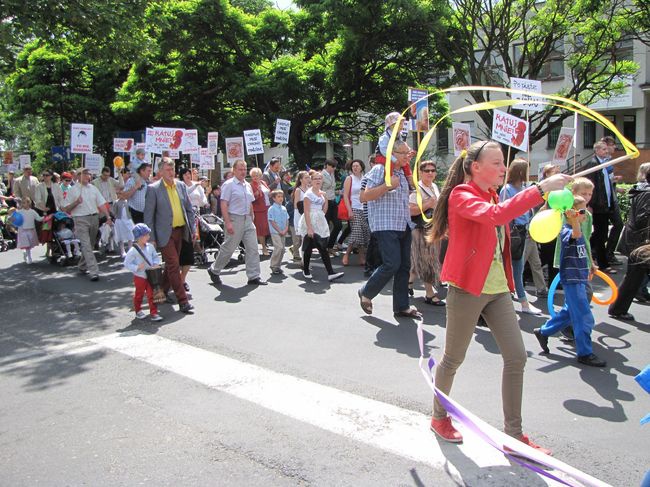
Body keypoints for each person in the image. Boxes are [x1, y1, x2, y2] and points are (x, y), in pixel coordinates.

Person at [427, 140, 571, 452]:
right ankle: (439, 417)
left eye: (503, 164)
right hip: (467, 288)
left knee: (517, 356)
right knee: (453, 358)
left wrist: (550, 196)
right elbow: (496, 216)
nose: (503, 169)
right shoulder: (461, 194)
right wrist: (541, 188)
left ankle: (513, 436)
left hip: (498, 290)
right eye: (496, 163)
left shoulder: (492, 193)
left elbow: (503, 216)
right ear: (475, 168)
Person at [534, 196, 606, 367]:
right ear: (570, 214)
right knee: (583, 317)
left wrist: (590, 265)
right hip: (572, 279)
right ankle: (585, 353)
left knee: (569, 312)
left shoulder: (577, 228)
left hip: (579, 277)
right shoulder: (567, 230)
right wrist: (573, 221)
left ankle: (544, 331)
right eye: (582, 211)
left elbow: (582, 247)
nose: (585, 214)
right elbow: (575, 235)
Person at [358, 139, 419, 318]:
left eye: (409, 152)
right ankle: (366, 292)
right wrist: (387, 185)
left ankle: (401, 306)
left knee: (404, 266)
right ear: (392, 154)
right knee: (391, 263)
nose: (408, 155)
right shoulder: (380, 169)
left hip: (403, 223)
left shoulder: (402, 173)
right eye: (404, 153)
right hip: (385, 224)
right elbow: (364, 196)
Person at [143, 158, 195, 314]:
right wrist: (150, 237)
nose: (171, 172)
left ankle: (162, 291)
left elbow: (189, 209)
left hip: (181, 231)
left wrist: (192, 229)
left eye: (172, 169)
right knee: (173, 264)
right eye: (167, 170)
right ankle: (183, 300)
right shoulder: (153, 189)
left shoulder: (180, 186)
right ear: (160, 171)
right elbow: (148, 215)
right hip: (164, 233)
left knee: (173, 264)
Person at [207, 159, 266, 286]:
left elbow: (249, 202)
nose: (243, 172)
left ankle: (253, 276)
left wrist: (252, 216)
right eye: (240, 169)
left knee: (253, 248)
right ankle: (214, 270)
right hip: (234, 218)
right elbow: (223, 204)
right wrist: (227, 222)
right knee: (229, 248)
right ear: (234, 170)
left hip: (247, 219)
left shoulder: (247, 184)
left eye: (245, 169)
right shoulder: (229, 184)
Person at [499, 159, 542, 315]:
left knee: (518, 267)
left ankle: (521, 300)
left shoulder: (524, 188)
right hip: (512, 233)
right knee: (512, 267)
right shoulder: (507, 190)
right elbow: (504, 212)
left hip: (524, 231)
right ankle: (521, 301)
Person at [609, 168, 650, 318]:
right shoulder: (647, 194)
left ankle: (617, 309)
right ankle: (617, 309)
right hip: (640, 242)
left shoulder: (642, 190)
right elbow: (642, 219)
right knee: (633, 277)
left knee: (633, 277)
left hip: (638, 241)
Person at [61, 168, 112, 281]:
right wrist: (76, 202)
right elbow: (65, 208)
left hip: (94, 218)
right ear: (78, 176)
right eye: (84, 174)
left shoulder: (93, 189)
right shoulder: (73, 190)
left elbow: (101, 203)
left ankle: (82, 265)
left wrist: (108, 216)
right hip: (80, 219)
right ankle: (94, 271)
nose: (86, 176)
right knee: (86, 244)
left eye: (88, 174)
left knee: (91, 244)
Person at [408, 160, 443, 305]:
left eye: (433, 170)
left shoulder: (434, 186)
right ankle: (429, 293)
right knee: (426, 260)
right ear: (420, 173)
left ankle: (408, 283)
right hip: (421, 229)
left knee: (419, 260)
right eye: (427, 171)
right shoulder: (418, 189)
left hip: (433, 228)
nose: (430, 173)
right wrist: (428, 203)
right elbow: (411, 210)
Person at [298, 170, 344, 282]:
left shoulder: (322, 193)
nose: (318, 181)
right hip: (310, 221)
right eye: (315, 179)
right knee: (317, 247)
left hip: (319, 220)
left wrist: (325, 199)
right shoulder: (308, 194)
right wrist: (309, 227)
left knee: (316, 246)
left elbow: (324, 209)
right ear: (311, 180)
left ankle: (319, 271)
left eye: (320, 179)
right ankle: (324, 272)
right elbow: (307, 212)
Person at [585, 141, 619, 274]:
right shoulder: (593, 164)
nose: (606, 151)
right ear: (597, 150)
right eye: (604, 149)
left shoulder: (604, 164)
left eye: (606, 149)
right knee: (601, 235)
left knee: (600, 234)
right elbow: (591, 186)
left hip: (605, 205)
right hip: (598, 207)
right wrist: (589, 204)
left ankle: (592, 255)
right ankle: (603, 264)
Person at [123, 223, 163, 322]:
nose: (149, 237)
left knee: (152, 294)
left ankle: (154, 312)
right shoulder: (133, 251)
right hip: (139, 276)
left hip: (151, 275)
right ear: (140, 237)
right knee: (139, 294)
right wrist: (136, 267)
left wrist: (155, 263)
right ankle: (138, 310)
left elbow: (155, 256)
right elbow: (127, 263)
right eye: (146, 235)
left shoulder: (150, 246)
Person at [601, 136, 625, 265]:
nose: (614, 147)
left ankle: (607, 253)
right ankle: (606, 253)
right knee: (615, 225)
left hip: (611, 199)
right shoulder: (600, 162)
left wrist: (616, 185)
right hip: (606, 201)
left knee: (613, 226)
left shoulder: (608, 161)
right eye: (612, 144)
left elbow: (607, 182)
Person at [341, 159, 370, 266]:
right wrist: (349, 210)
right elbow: (345, 195)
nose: (355, 168)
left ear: (361, 167)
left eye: (357, 166)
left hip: (365, 209)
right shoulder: (350, 179)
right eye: (353, 166)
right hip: (354, 208)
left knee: (363, 232)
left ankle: (361, 256)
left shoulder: (365, 178)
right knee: (357, 232)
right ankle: (347, 254)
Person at [374, 112, 413, 186]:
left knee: (406, 164)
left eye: (402, 123)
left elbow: (402, 145)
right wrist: (393, 159)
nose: (402, 126)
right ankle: (389, 182)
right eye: (400, 124)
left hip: (394, 154)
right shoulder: (385, 137)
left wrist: (408, 151)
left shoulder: (399, 135)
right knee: (390, 164)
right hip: (382, 156)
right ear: (392, 125)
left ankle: (409, 182)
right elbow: (384, 150)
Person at [321, 159, 342, 253]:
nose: (334, 168)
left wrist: (337, 192)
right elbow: (318, 189)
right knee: (325, 226)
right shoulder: (321, 175)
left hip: (333, 201)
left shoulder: (332, 174)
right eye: (332, 166)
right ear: (326, 165)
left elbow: (331, 189)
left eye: (335, 166)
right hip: (325, 202)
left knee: (338, 225)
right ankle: (323, 247)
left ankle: (330, 246)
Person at [267, 189, 289, 275]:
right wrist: (279, 230)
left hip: (283, 231)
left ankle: (278, 266)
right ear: (274, 198)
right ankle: (273, 265)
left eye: (282, 196)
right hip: (275, 232)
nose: (281, 198)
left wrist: (286, 229)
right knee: (278, 247)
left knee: (282, 249)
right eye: (278, 197)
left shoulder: (284, 208)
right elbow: (272, 221)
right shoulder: (271, 209)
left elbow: (287, 219)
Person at [250, 167, 271, 255]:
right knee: (261, 229)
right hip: (258, 210)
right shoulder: (251, 185)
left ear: (260, 175)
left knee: (268, 228)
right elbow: (251, 198)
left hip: (267, 207)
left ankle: (265, 244)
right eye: (253, 176)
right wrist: (257, 193)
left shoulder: (263, 182)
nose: (255, 177)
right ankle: (263, 247)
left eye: (257, 175)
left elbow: (268, 192)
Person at [16, 197, 43, 263]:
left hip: (31, 230)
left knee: (30, 244)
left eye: (26, 202)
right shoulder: (20, 212)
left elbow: (38, 218)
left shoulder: (32, 211)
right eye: (23, 203)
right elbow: (14, 219)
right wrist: (10, 219)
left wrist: (45, 217)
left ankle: (25, 253)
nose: (24, 204)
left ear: (29, 203)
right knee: (27, 245)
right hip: (23, 230)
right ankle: (29, 258)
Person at [292, 171, 311, 261]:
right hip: (300, 214)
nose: (308, 179)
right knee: (300, 236)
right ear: (301, 180)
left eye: (308, 177)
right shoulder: (298, 190)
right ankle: (299, 255)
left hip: (308, 213)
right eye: (306, 178)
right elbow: (296, 205)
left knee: (306, 236)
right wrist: (303, 208)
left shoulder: (309, 188)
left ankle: (303, 256)